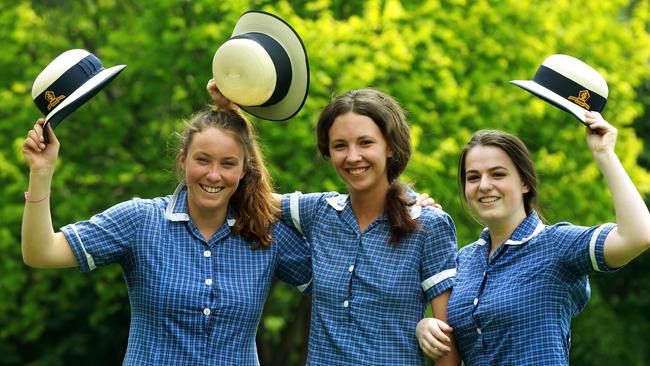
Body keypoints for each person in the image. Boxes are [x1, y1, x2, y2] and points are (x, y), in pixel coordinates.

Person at [21, 107, 311, 365]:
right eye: (203, 160)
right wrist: (41, 172)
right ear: (183, 161)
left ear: (244, 170)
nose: (213, 174)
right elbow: (41, 252)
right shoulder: (140, 220)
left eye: (227, 163)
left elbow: (338, 283)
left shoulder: (263, 230)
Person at [209, 81, 459, 365]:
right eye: (340, 146)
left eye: (365, 142)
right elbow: (251, 193)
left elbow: (447, 340)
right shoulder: (321, 212)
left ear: (390, 146)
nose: (353, 157)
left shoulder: (428, 225)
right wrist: (231, 112)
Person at [416, 112, 650, 365]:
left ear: (525, 182)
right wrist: (426, 327)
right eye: (473, 177)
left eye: (498, 174)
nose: (484, 185)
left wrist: (605, 154)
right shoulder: (463, 261)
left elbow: (638, 236)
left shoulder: (557, 245)